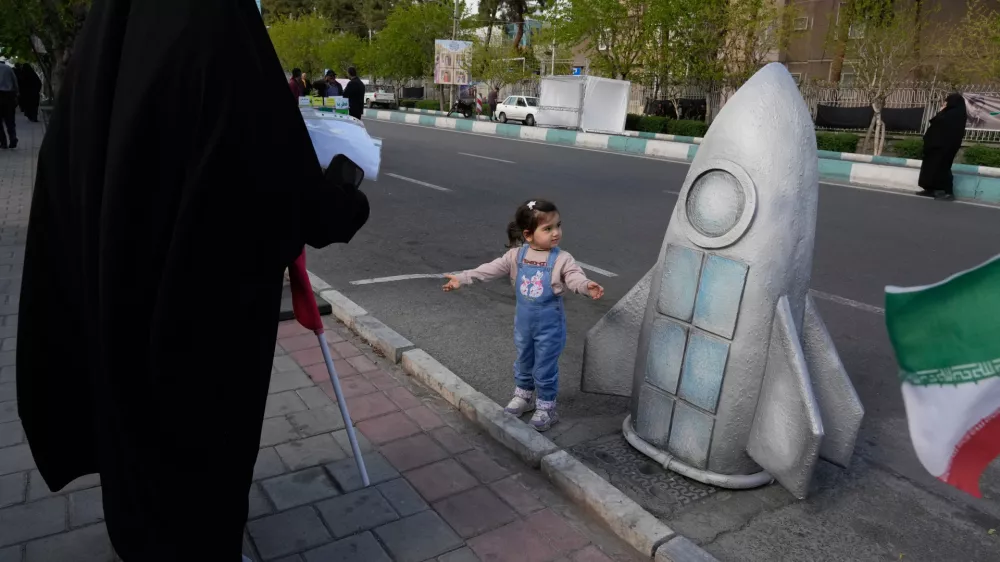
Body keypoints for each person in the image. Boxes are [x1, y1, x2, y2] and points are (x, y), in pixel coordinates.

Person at [16, 0, 370, 560]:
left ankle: (138, 537)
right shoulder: (214, 22)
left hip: (115, 282)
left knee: (133, 435)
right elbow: (269, 170)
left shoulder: (109, 29)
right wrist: (343, 200)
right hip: (196, 308)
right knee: (196, 454)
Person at [442, 200, 604, 431]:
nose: (556, 232)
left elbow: (573, 276)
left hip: (550, 327)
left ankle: (547, 407)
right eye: (547, 229)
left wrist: (586, 286)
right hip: (524, 325)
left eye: (558, 225)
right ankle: (524, 396)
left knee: (545, 367)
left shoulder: (561, 259)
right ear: (528, 235)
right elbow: (490, 269)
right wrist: (464, 277)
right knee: (524, 361)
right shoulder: (516, 256)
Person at [918, 92, 967, 201]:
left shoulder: (955, 113)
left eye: (947, 100)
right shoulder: (949, 112)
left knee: (943, 168)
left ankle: (949, 192)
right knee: (930, 167)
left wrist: (942, 111)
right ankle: (930, 189)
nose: (945, 102)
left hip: (945, 146)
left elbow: (937, 121)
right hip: (935, 146)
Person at [0, 60, 17, 149]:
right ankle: (13, 138)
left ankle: (3, 142)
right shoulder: (8, 68)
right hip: (8, 96)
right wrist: (16, 93)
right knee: (10, 119)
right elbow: (15, 81)